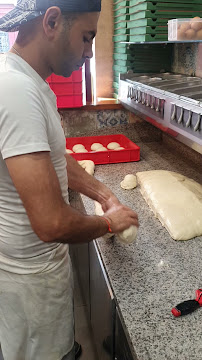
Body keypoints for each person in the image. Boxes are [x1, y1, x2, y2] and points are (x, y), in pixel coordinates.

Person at [0, 1, 139, 359]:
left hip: (39, 281)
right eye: (86, 37)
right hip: (31, 292)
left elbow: (54, 157)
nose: (89, 53)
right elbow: (50, 222)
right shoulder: (16, 91)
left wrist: (103, 192)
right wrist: (109, 222)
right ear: (52, 21)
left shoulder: (26, 82)